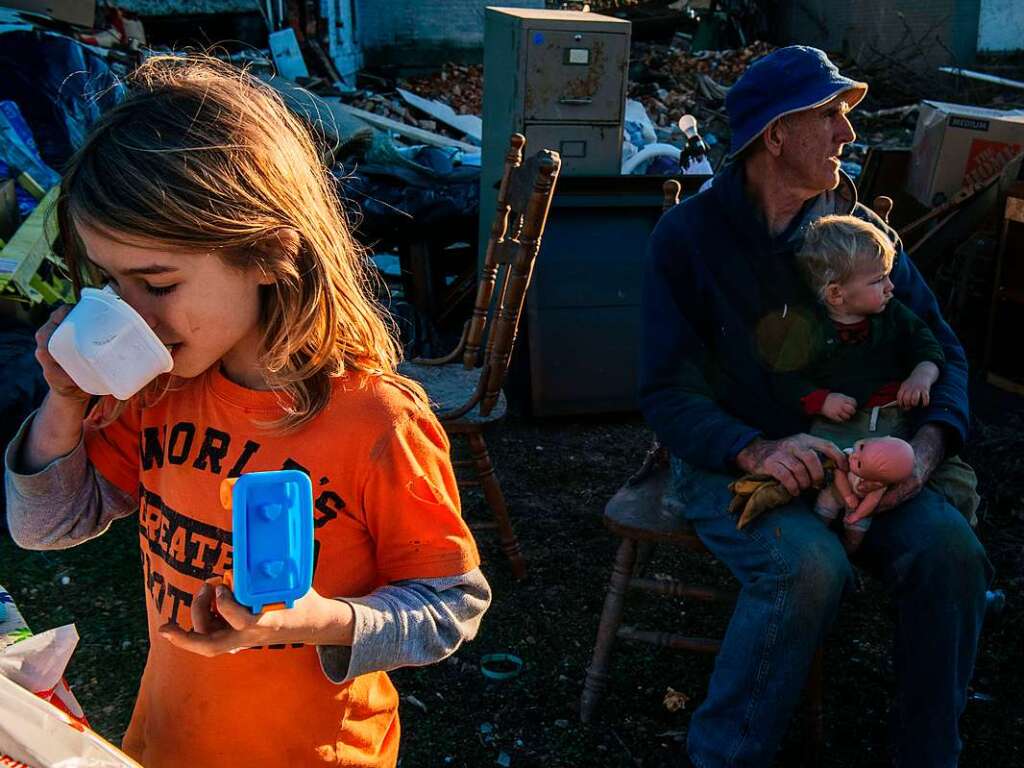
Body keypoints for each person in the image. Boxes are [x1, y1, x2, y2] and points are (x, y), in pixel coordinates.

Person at [4, 56, 490, 768]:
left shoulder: (377, 422)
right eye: (111, 280)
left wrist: (323, 621)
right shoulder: (157, 392)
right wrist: (66, 400)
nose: (129, 313)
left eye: (158, 282)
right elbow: (44, 527)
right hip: (170, 740)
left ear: (268, 252)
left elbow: (452, 605)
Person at [640, 46, 992, 768]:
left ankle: (929, 753)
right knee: (807, 567)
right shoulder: (692, 241)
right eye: (830, 115)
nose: (849, 134)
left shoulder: (857, 235)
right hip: (736, 458)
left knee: (952, 552)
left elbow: (945, 353)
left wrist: (922, 456)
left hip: (864, 459)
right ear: (776, 134)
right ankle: (727, 757)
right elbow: (666, 393)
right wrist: (756, 448)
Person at [772, 214, 979, 551]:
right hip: (835, 432)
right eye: (879, 279)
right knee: (830, 484)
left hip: (894, 425)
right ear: (837, 294)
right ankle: (824, 549)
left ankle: (966, 555)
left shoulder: (895, 316)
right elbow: (784, 379)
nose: (891, 286)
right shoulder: (808, 328)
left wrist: (921, 375)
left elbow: (931, 346)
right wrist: (820, 400)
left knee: (959, 484)